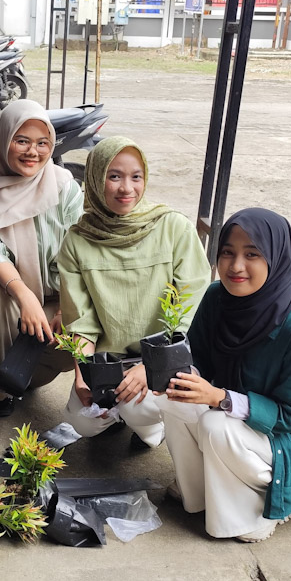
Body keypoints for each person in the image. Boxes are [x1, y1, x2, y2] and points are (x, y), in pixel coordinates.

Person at [161, 208, 291, 543]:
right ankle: (197, 495)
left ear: (276, 258)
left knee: (215, 424)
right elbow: (198, 358)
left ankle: (258, 512)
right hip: (238, 426)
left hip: (289, 441)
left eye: (252, 254)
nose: (236, 266)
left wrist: (219, 398)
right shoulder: (216, 298)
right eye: (228, 252)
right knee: (174, 402)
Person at [57, 137, 211, 448]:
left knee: (137, 405)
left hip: (166, 356)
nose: (126, 188)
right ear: (96, 179)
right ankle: (125, 416)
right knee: (83, 421)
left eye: (135, 176)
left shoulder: (173, 228)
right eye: (114, 176)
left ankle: (152, 432)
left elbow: (187, 308)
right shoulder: (78, 240)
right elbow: (81, 321)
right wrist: (84, 374)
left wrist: (150, 365)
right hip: (112, 360)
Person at [0, 100, 83, 417]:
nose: (32, 152)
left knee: (81, 326)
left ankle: (26, 372)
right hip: (14, 294)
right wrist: (26, 298)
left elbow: (82, 251)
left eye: (42, 143)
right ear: (3, 139)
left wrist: (66, 304)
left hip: (59, 296)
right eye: (21, 141)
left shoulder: (64, 188)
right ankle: (3, 384)